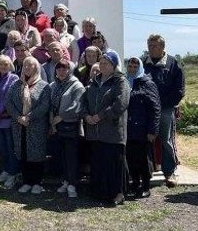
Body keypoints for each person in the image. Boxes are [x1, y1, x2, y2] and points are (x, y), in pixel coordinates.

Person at [82, 50, 130, 206]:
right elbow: (83, 101)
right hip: (95, 132)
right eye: (101, 62)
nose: (102, 65)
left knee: (115, 163)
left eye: (106, 63)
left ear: (114, 65)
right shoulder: (94, 81)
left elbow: (120, 104)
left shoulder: (120, 81)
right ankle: (99, 191)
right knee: (99, 162)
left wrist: (101, 115)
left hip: (113, 131)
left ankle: (118, 193)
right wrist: (86, 115)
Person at [142, 34, 185, 188]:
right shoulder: (142, 63)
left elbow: (179, 90)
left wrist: (162, 104)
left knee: (166, 140)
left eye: (154, 46)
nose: (151, 48)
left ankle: (170, 172)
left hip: (165, 109)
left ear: (162, 47)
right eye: (149, 45)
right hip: (144, 109)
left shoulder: (173, 64)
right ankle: (146, 170)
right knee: (144, 139)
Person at [7, 56, 51, 194]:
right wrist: (18, 117)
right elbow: (9, 103)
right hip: (19, 125)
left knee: (37, 154)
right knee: (23, 153)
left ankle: (37, 182)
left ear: (36, 67)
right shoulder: (16, 84)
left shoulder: (44, 86)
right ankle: (26, 181)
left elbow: (44, 106)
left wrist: (29, 117)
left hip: (36, 126)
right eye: (25, 65)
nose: (27, 68)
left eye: (30, 65)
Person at [49, 60, 85, 198]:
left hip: (70, 126)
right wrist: (52, 121)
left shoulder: (77, 86)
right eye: (59, 69)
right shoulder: (53, 85)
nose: (61, 71)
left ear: (70, 70)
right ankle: (65, 181)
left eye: (65, 69)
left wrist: (62, 116)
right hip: (56, 127)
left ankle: (72, 185)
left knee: (71, 157)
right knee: (61, 156)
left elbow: (77, 106)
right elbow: (50, 105)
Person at [125, 57, 160, 199]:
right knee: (131, 157)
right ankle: (135, 183)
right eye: (130, 66)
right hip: (128, 128)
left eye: (135, 66)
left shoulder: (147, 83)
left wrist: (153, 130)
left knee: (144, 159)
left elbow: (155, 108)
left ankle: (146, 186)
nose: (132, 68)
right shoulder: (125, 81)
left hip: (142, 129)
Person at [0, 55, 20, 188]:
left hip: (7, 119)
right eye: (1, 64)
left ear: (10, 65)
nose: (3, 66)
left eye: (6, 64)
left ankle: (13, 173)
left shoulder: (14, 78)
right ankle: (6, 170)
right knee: (2, 148)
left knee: (10, 147)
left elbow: (9, 97)